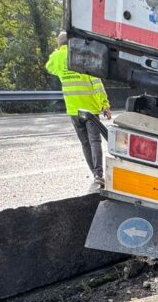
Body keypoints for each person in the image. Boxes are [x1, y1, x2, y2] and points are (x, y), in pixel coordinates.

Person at [46, 31, 111, 190]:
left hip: (73, 109)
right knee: (95, 141)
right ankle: (98, 175)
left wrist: (59, 50)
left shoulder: (58, 59)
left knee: (85, 143)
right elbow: (96, 83)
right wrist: (104, 104)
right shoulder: (83, 57)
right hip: (89, 108)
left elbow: (49, 66)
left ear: (60, 45)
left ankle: (94, 174)